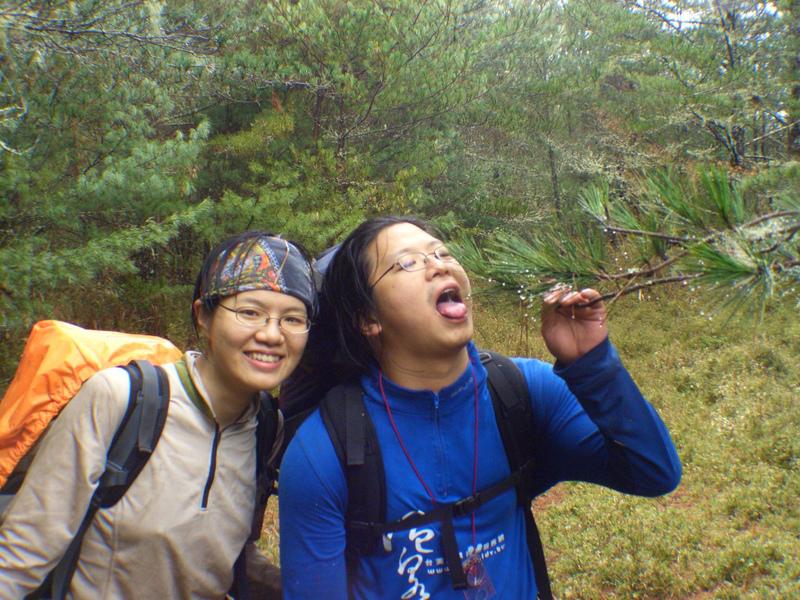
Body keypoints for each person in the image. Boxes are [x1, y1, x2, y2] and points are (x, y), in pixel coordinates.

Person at [278, 216, 682, 599]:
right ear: (368, 318)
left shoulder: (524, 393)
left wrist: (592, 364)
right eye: (408, 263)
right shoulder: (325, 451)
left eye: (442, 253)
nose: (439, 266)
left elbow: (653, 473)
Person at [0, 231, 316, 599]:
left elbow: (228, 558)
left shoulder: (266, 427)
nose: (272, 334)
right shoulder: (122, 399)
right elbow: (22, 555)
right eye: (250, 312)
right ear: (203, 317)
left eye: (292, 319)